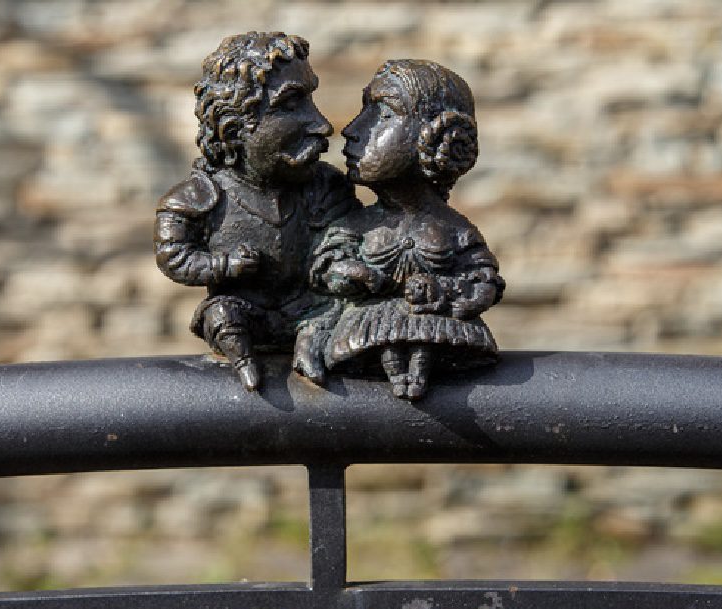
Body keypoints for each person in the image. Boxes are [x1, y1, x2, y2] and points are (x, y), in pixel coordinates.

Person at [154, 32, 358, 390]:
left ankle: (310, 349)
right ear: (234, 126)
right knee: (223, 317)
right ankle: (245, 361)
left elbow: (348, 241)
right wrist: (224, 265)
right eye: (291, 104)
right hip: (246, 310)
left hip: (312, 310)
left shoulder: (325, 188)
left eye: (310, 100)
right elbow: (174, 256)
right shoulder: (197, 200)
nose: (322, 124)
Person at [303, 59, 505, 400]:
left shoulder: (454, 229)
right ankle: (400, 374)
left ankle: (418, 372)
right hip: (366, 334)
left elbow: (483, 278)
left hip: (438, 329)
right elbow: (326, 268)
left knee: (424, 349)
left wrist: (455, 294)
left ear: (433, 135)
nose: (351, 130)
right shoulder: (355, 227)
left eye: (383, 115)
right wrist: (354, 273)